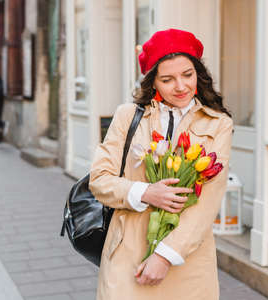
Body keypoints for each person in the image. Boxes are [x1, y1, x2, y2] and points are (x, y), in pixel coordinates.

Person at [89, 29, 233, 299]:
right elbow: (99, 179)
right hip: (127, 256)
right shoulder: (127, 116)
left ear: (198, 74)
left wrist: (165, 256)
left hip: (186, 261)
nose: (180, 87)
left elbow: (207, 202)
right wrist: (144, 192)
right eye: (167, 79)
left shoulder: (218, 124)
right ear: (153, 81)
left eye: (187, 75)